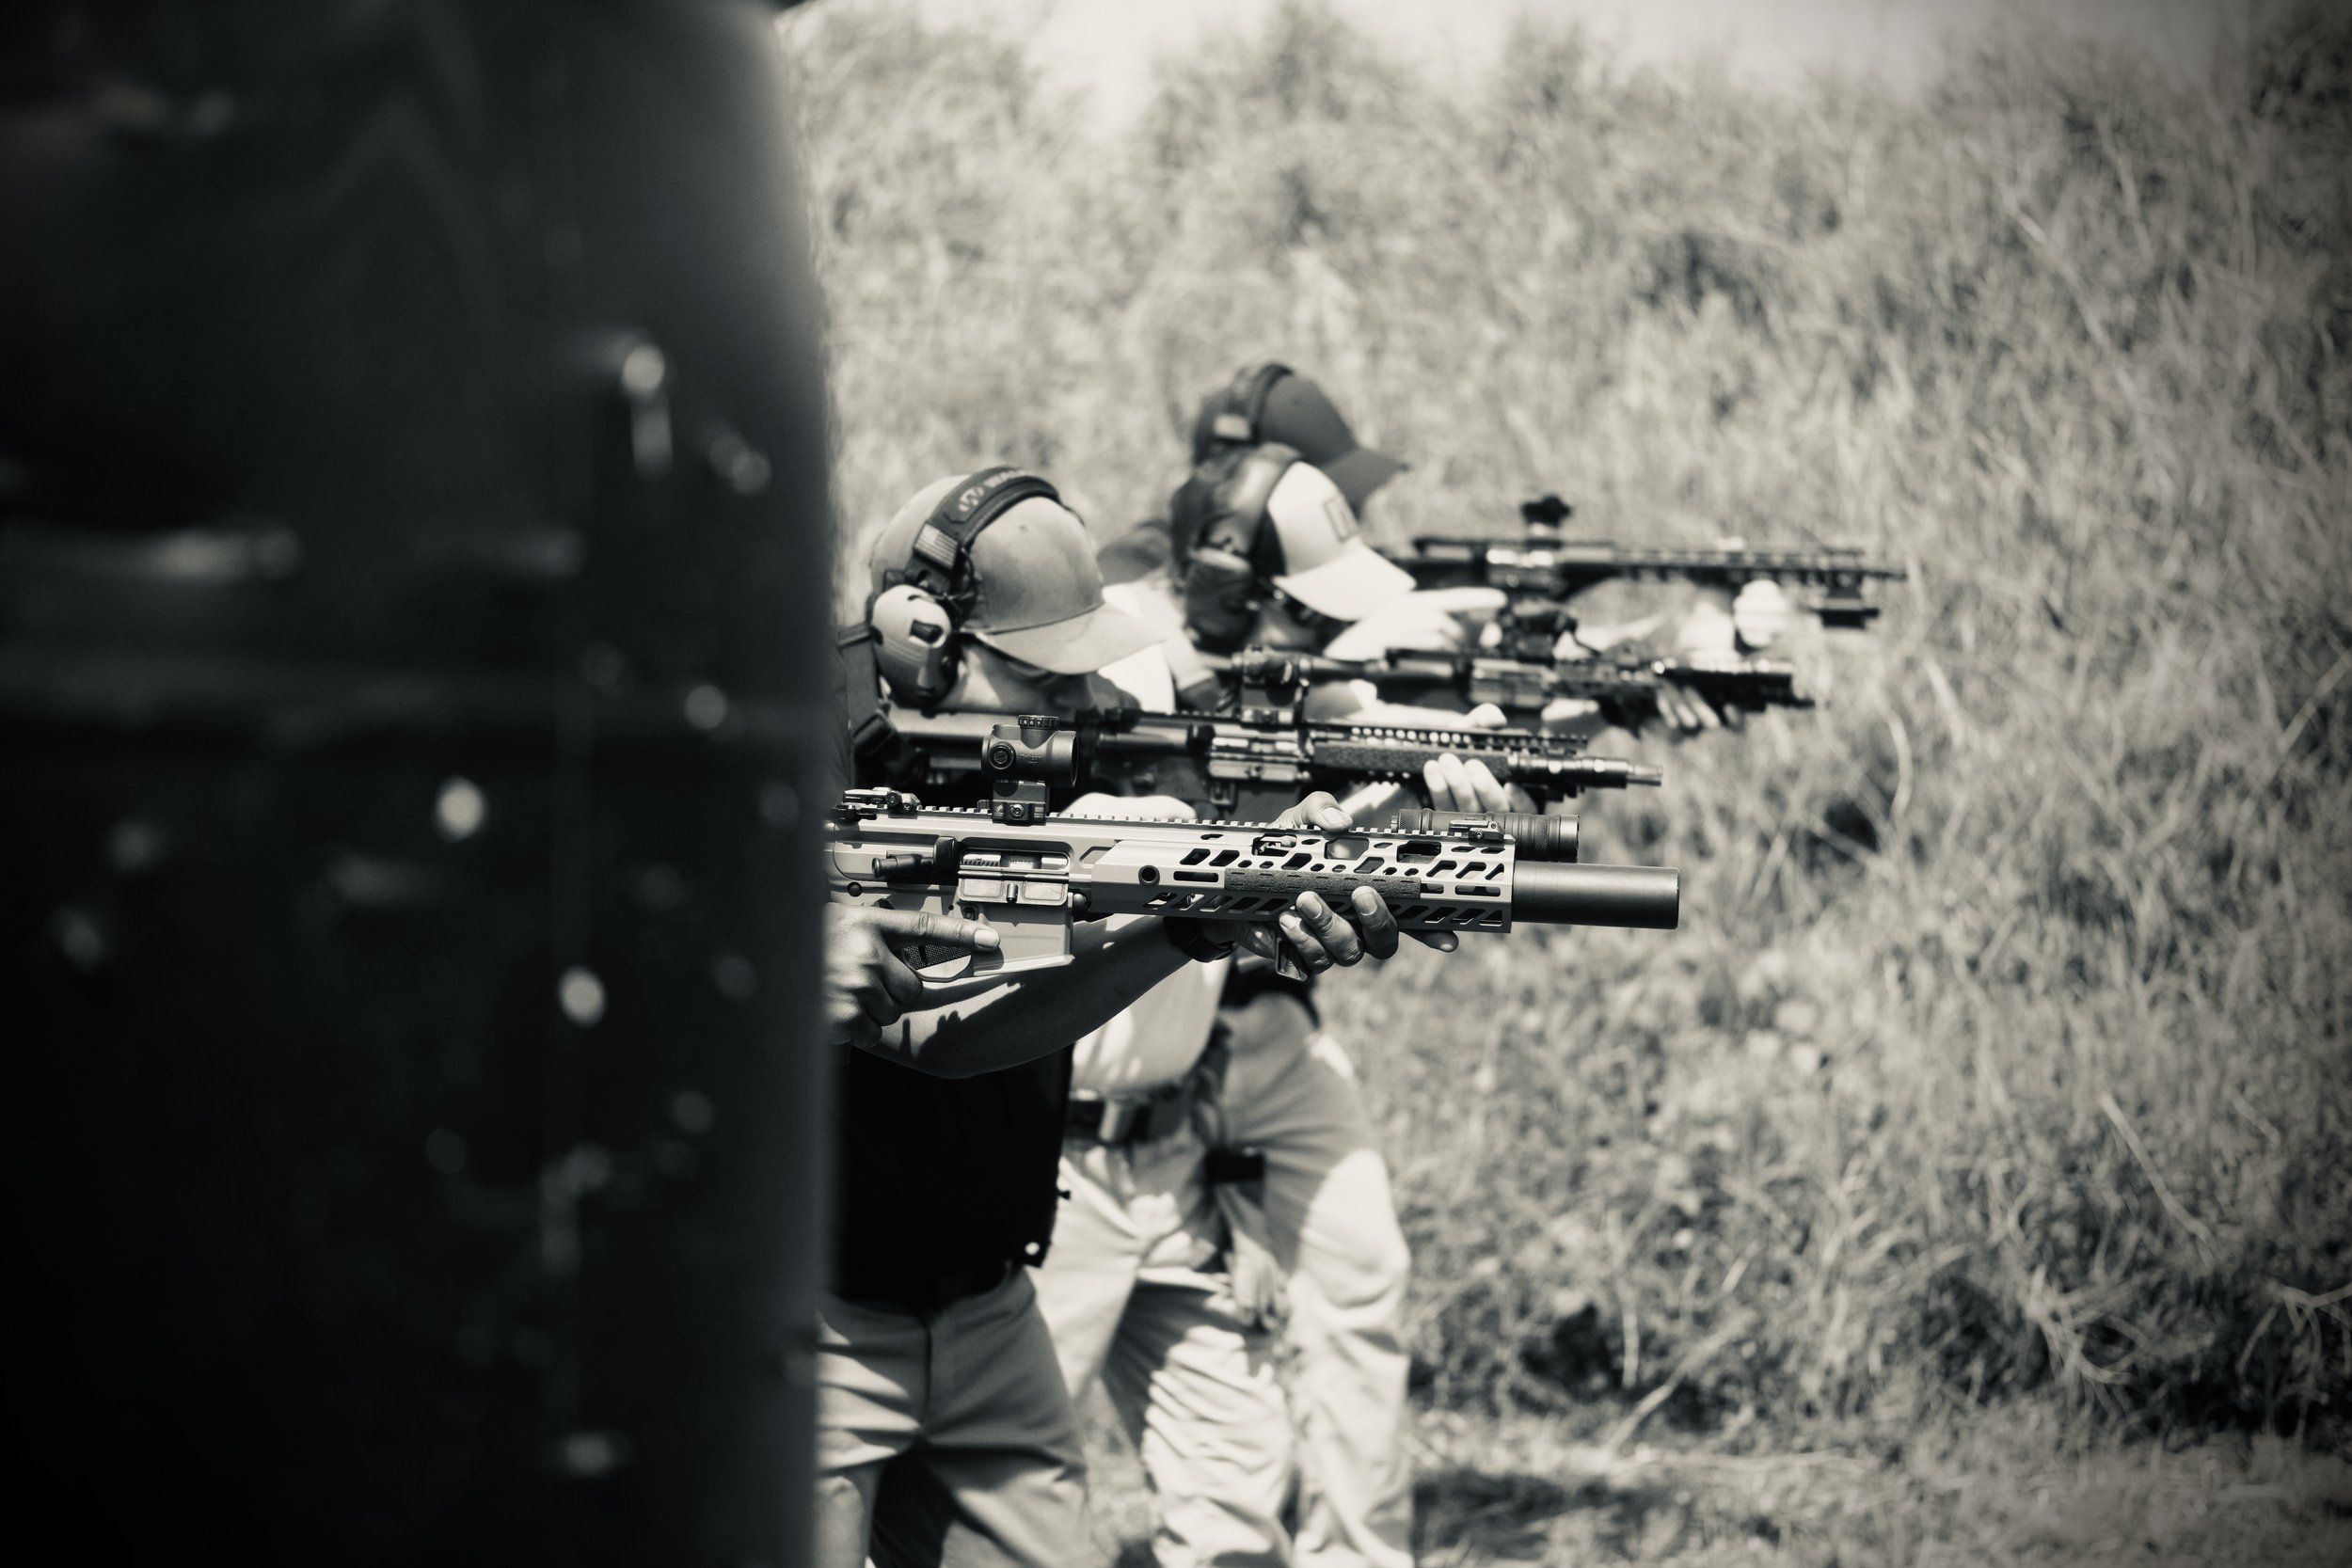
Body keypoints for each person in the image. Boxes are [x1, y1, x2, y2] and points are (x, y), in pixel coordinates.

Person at [817, 467, 1407, 1568]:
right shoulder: (785, 753)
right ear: (922, 644)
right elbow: (905, 1026)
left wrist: (1200, 917)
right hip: (810, 1319)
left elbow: (961, 1037)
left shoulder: (1035, 761)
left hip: (987, 1300)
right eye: (1048, 678)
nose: (1084, 708)